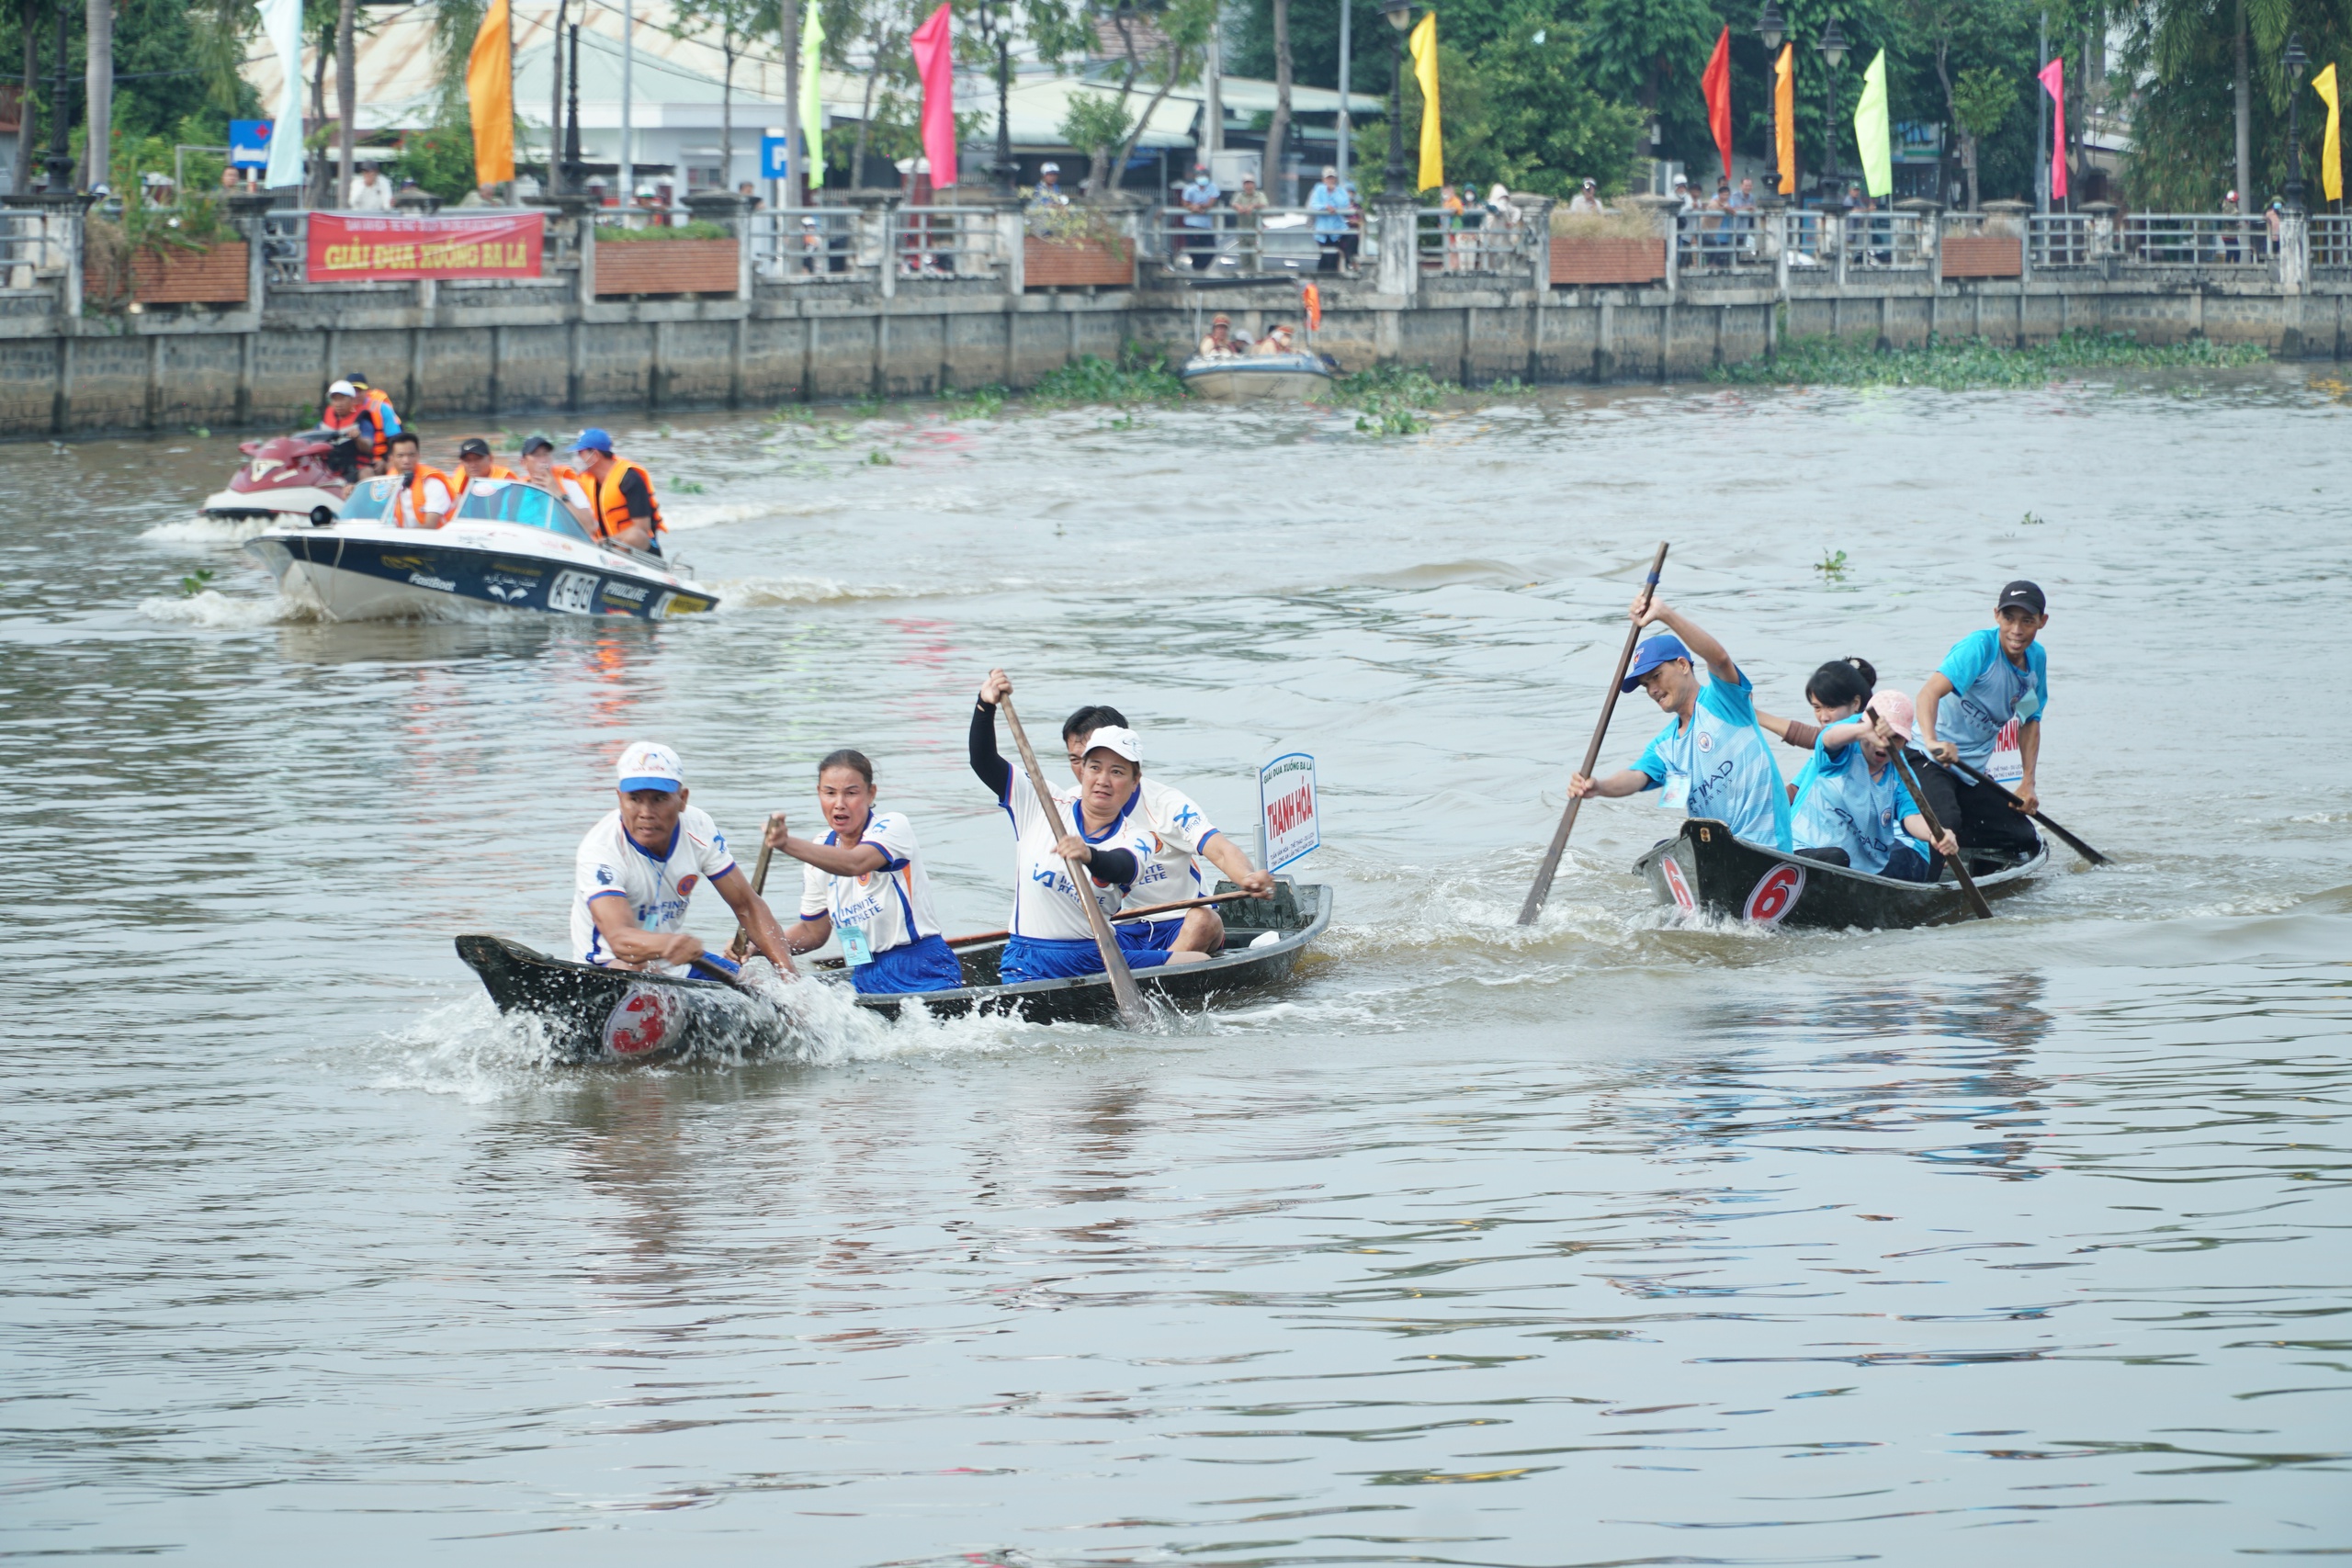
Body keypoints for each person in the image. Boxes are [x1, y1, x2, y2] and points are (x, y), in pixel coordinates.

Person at [969, 671, 1210, 986]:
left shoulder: (1138, 838)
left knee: (1200, 963)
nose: (1103, 780)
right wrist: (984, 707)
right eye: (1094, 767)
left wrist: (1089, 856)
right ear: (1081, 769)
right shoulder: (1044, 803)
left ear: (1135, 780)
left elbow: (1122, 868)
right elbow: (983, 760)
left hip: (1096, 957)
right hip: (1030, 957)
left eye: (1118, 771)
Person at [1566, 597, 1792, 850]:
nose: (1652, 690)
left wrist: (1664, 614)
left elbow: (1719, 659)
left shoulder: (1724, 701)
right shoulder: (1665, 747)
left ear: (1683, 665)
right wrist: (1599, 787)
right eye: (1645, 685)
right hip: (1721, 854)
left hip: (1769, 846)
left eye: (1656, 677)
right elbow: (1636, 777)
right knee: (1662, 848)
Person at [1060, 704, 1273, 957]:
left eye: (1113, 766)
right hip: (1117, 929)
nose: (1097, 776)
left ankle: (1154, 975)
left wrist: (1248, 878)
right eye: (1084, 762)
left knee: (1204, 921)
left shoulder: (1166, 804)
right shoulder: (1065, 806)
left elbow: (1220, 850)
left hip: (1180, 923)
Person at [573, 740, 797, 979]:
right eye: (635, 799)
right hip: (608, 965)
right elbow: (619, 939)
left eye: (659, 799)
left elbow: (748, 906)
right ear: (620, 799)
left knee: (758, 985)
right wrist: (667, 944)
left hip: (674, 963)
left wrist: (790, 979)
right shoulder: (601, 849)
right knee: (635, 968)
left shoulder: (699, 827)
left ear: (682, 799)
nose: (646, 812)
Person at [762, 750, 964, 995]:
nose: (839, 804)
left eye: (851, 793)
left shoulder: (893, 826)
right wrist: (759, 943)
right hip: (864, 973)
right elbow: (812, 932)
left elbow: (854, 864)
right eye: (830, 793)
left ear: (871, 793)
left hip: (920, 968)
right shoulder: (819, 850)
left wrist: (786, 844)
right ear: (819, 794)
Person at [1911, 581, 2050, 858]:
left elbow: (2028, 721)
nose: (2017, 631)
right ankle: (1927, 861)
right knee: (1943, 827)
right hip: (1926, 757)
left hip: (1971, 773)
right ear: (1996, 615)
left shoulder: (2035, 660)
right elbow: (1928, 694)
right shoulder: (1979, 648)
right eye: (2009, 619)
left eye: (2027, 621)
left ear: (2042, 622)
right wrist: (1932, 741)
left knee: (2024, 838)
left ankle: (1943, 836)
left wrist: (2027, 782)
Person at [1789, 691, 1958, 881]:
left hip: (1855, 863)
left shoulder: (1901, 773)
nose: (1885, 745)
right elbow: (1827, 739)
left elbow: (1912, 818)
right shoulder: (1843, 751)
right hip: (1802, 846)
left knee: (1843, 859)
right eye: (1879, 735)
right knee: (1835, 858)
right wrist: (1863, 731)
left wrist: (1936, 834)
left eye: (1896, 738)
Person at [1758, 657, 1877, 798]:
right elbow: (1795, 791)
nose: (1823, 717)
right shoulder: (1822, 753)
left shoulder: (1868, 733)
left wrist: (1754, 715)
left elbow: (1816, 737)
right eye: (1817, 708)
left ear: (1856, 703)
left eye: (1831, 707)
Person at [572, 427, 664, 554]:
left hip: (641, 549)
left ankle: (612, 562)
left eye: (580, 453)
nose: (577, 458)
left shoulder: (630, 479)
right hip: (602, 548)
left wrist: (608, 542)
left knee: (635, 534)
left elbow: (641, 529)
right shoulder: (584, 480)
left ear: (595, 455)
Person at [519, 433, 596, 530]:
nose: (543, 460)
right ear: (523, 463)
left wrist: (558, 493)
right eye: (536, 455)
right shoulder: (518, 491)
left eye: (546, 454)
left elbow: (590, 527)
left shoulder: (568, 484)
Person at [384, 431, 453, 528]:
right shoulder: (388, 482)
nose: (406, 461)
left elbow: (430, 526)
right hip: (401, 538)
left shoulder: (433, 483)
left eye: (411, 455)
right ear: (391, 458)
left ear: (418, 456)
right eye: (400, 456)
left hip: (435, 540)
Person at [317, 379, 383, 479]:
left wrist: (358, 438)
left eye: (342, 399)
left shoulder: (362, 421)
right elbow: (312, 436)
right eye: (335, 399)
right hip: (329, 468)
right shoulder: (325, 421)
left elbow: (368, 446)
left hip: (354, 468)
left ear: (352, 400)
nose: (338, 404)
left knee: (367, 472)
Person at [1308, 166, 1359, 273]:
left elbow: (1344, 205)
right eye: (1328, 178)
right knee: (1328, 255)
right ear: (1323, 179)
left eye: (1332, 178)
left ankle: (1349, 259)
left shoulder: (1340, 191)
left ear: (1335, 179)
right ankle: (1323, 275)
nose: (1330, 180)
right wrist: (1326, 207)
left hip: (1338, 228)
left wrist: (1334, 193)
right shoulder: (1318, 190)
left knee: (1352, 238)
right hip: (1324, 230)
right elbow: (1314, 204)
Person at [1178, 163, 1221, 271]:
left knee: (1211, 250)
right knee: (1192, 248)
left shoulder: (1213, 187)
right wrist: (1193, 207)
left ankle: (1201, 269)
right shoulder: (1190, 188)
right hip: (1191, 224)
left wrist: (1199, 206)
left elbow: (1211, 202)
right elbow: (1185, 203)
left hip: (1206, 226)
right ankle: (1197, 268)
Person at [450, 436, 519, 502]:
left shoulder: (506, 481)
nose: (473, 465)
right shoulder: (458, 477)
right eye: (467, 460)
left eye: (477, 459)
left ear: (490, 459)